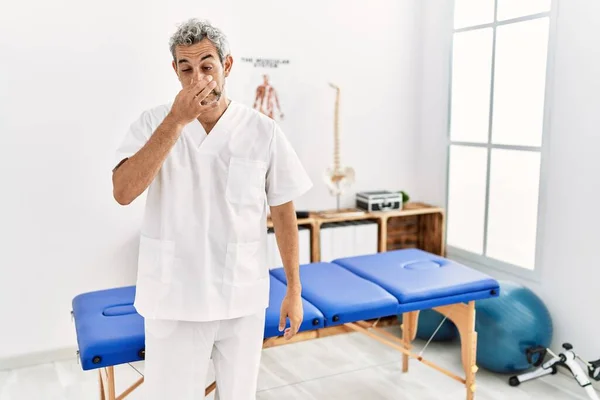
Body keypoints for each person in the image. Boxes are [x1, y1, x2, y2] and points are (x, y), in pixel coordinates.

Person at [111, 18, 312, 400]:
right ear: (175, 70)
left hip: (242, 299)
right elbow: (123, 192)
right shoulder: (153, 123)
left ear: (227, 66)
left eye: (207, 65)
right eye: (186, 68)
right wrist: (176, 120)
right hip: (175, 301)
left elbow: (284, 212)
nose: (198, 77)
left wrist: (294, 290)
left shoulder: (262, 130)